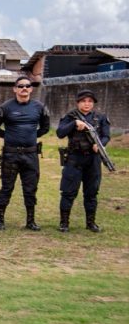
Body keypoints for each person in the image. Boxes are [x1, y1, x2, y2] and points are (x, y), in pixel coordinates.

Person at [0, 76, 50, 231]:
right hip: (11, 154)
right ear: (15, 89)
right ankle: (0, 219)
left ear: (31, 89)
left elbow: (45, 128)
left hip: (31, 154)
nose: (24, 88)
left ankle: (30, 221)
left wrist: (32, 136)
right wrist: (9, 136)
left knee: (30, 188)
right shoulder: (6, 107)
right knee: (7, 187)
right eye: (21, 86)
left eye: (27, 86)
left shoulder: (39, 107)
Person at [56, 89, 111, 232]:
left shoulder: (100, 117)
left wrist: (99, 144)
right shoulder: (70, 116)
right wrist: (74, 123)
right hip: (74, 159)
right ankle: (64, 223)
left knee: (92, 192)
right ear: (78, 102)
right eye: (84, 101)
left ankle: (91, 223)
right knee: (68, 192)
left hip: (93, 160)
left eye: (90, 101)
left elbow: (106, 135)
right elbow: (60, 133)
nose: (87, 104)